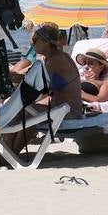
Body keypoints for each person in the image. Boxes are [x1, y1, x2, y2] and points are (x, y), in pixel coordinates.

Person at [6, 24, 83, 155]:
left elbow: (30, 80)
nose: (32, 45)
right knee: (24, 111)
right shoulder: (52, 58)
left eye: (35, 42)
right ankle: (9, 151)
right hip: (62, 109)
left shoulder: (57, 60)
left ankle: (10, 152)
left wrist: (4, 75)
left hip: (70, 113)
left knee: (27, 112)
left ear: (46, 42)